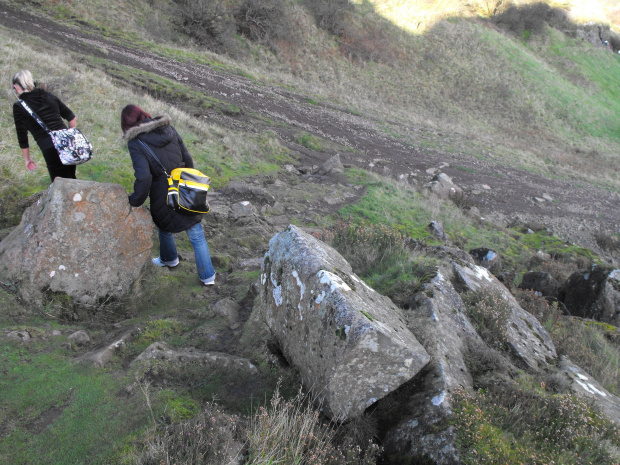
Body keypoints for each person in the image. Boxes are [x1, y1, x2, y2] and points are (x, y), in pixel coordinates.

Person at [121, 104, 216, 286]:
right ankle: (208, 276)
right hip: (184, 183)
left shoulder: (136, 142)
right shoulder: (167, 128)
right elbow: (187, 157)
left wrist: (135, 200)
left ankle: (170, 259)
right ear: (144, 114)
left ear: (126, 124)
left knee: (163, 225)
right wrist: (188, 182)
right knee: (195, 232)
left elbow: (144, 177)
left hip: (162, 190)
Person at [11, 69, 78, 181]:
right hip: (68, 143)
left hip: (50, 147)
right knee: (71, 178)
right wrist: (72, 137)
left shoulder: (19, 107)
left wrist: (27, 159)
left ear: (16, 86)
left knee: (60, 183)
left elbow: (22, 136)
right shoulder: (48, 95)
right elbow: (71, 118)